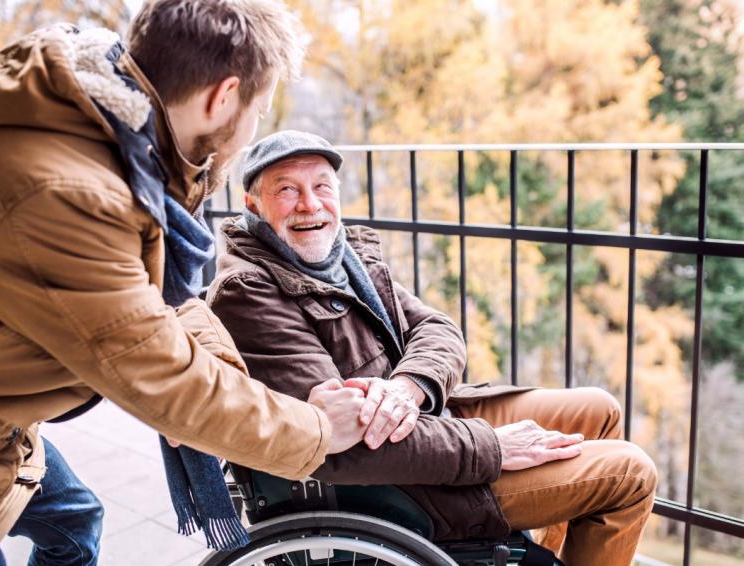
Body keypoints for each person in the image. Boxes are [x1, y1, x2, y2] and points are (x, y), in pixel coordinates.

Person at [0, 4, 369, 565]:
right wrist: (315, 431)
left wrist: (224, 371)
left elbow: (167, 298)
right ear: (223, 98)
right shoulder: (68, 194)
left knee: (75, 521)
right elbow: (166, 382)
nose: (248, 133)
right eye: (257, 110)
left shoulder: (117, 143)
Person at [206, 129, 660, 566]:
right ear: (253, 204)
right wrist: (492, 447)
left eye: (322, 186)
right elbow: (336, 448)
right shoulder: (249, 290)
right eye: (287, 190)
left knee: (599, 409)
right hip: (399, 483)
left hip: (424, 424)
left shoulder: (342, 257)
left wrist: (407, 387)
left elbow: (437, 328)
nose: (310, 204)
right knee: (630, 474)